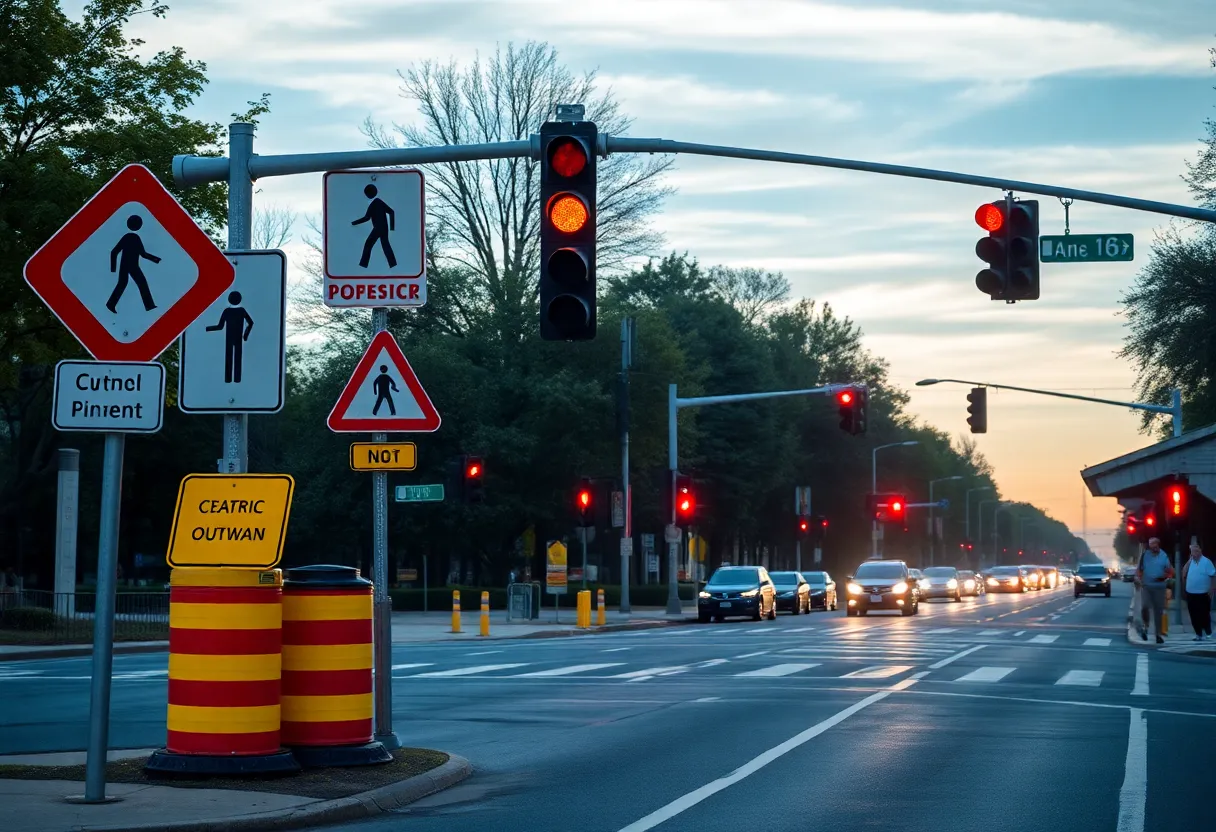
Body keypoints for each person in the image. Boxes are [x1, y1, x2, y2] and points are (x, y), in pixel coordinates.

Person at [1136, 537, 1174, 644]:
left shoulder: (1164, 556)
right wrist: (1138, 579)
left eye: (1155, 544)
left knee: (1158, 611)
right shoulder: (1145, 555)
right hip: (1147, 586)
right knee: (1145, 606)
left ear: (1158, 544)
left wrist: (1165, 577)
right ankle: (1145, 627)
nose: (1153, 546)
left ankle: (1158, 635)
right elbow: (1139, 570)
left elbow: (1170, 571)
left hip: (1160, 587)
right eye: (1151, 544)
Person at [1181, 542, 1215, 641]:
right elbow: (1184, 572)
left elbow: (1213, 575)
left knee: (1204, 614)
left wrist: (1212, 588)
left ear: (1200, 551)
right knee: (1193, 614)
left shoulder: (1206, 562)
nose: (1194, 553)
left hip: (1203, 593)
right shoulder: (1190, 562)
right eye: (1192, 552)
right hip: (1191, 593)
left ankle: (1208, 631)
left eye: (1196, 551)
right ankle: (1198, 634)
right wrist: (1189, 560)